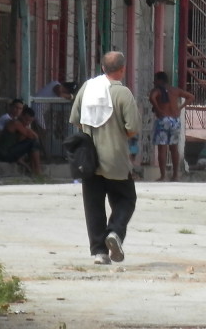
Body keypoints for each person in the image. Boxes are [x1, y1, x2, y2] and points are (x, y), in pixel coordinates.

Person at [69, 50, 141, 265]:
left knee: (93, 205)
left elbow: (75, 120)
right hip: (116, 159)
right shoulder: (124, 94)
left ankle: (99, 252)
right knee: (126, 199)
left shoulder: (87, 88)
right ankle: (115, 232)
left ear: (102, 68)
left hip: (88, 158)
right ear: (122, 69)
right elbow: (133, 128)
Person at [148, 71, 194, 181]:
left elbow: (152, 97)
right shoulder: (175, 90)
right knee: (174, 148)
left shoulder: (158, 90)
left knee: (162, 148)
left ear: (160, 80)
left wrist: (158, 109)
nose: (154, 81)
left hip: (163, 120)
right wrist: (180, 107)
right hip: (175, 120)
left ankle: (163, 175)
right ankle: (175, 175)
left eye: (155, 79)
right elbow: (191, 97)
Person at [0, 105, 43, 176]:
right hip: (4, 154)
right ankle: (37, 170)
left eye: (30, 121)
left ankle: (33, 168)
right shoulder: (15, 123)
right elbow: (34, 136)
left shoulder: (21, 125)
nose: (27, 123)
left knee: (31, 142)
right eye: (26, 120)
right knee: (34, 142)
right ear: (21, 115)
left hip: (9, 152)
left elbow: (23, 139)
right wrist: (28, 130)